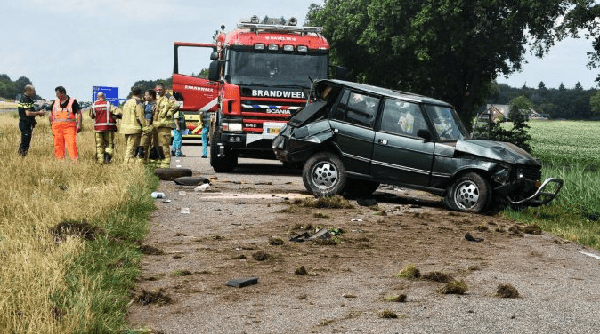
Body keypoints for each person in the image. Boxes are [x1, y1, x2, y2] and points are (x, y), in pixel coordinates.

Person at [49, 86, 82, 161]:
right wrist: (51, 123)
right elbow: (51, 114)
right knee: (58, 144)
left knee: (71, 144)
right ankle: (59, 160)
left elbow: (79, 113)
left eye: (58, 94)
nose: (56, 96)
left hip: (69, 127)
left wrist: (79, 124)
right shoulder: (55, 102)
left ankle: (74, 160)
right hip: (57, 128)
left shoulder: (72, 101)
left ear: (63, 93)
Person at [89, 92, 121, 163]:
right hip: (108, 127)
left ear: (98, 97)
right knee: (109, 144)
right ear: (104, 96)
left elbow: (91, 116)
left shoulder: (93, 105)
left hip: (98, 128)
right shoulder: (108, 104)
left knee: (99, 145)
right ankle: (107, 158)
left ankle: (100, 161)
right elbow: (117, 112)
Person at [153, 83, 178, 168]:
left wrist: (170, 112)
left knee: (164, 145)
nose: (158, 91)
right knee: (155, 145)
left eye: (160, 90)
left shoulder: (169, 97)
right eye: (157, 90)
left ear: (164, 89)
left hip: (164, 124)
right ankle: (158, 162)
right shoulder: (155, 98)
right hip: (155, 125)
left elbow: (177, 105)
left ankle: (166, 163)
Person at [120, 86, 146, 163]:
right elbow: (140, 116)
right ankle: (127, 164)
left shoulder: (127, 102)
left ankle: (129, 163)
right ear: (140, 93)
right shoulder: (138, 102)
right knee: (131, 148)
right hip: (134, 128)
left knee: (129, 146)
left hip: (125, 128)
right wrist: (144, 126)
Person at [17, 84, 45, 156]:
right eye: (33, 91)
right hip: (25, 124)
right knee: (25, 143)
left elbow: (31, 110)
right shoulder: (25, 100)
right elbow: (28, 113)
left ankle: (22, 157)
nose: (34, 92)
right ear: (28, 91)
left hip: (27, 123)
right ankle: (21, 157)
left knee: (26, 142)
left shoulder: (28, 99)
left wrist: (38, 109)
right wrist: (39, 113)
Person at [140, 89, 157, 162]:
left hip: (152, 125)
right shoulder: (144, 104)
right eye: (145, 95)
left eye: (148, 95)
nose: (146, 96)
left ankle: (153, 159)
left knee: (153, 143)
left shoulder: (155, 104)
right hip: (145, 125)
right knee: (144, 143)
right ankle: (144, 159)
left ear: (152, 96)